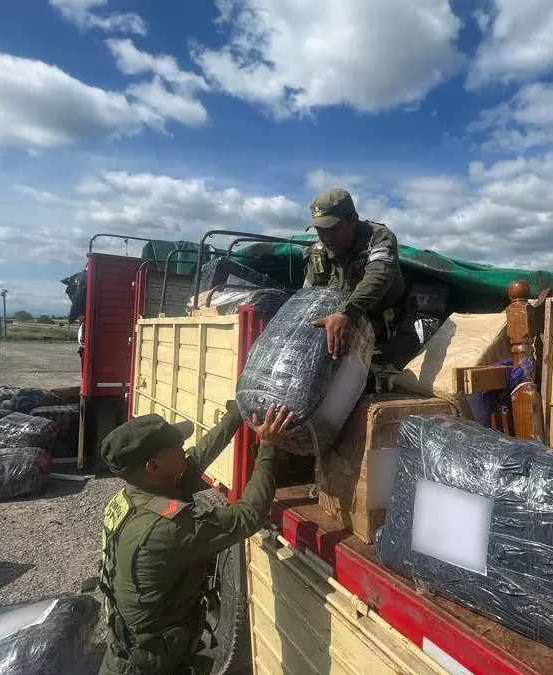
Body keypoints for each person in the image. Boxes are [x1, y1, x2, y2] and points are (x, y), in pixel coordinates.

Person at [97, 401, 294, 675]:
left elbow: (195, 458)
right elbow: (247, 517)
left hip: (132, 653)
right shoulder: (165, 529)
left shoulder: (132, 496)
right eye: (176, 446)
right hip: (152, 667)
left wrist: (236, 415)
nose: (184, 450)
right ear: (153, 466)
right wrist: (269, 446)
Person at [303, 188, 418, 391]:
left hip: (391, 343)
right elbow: (308, 298)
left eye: (333, 228)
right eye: (321, 230)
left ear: (353, 220)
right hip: (349, 345)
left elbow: (380, 274)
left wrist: (346, 313)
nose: (327, 237)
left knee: (397, 398)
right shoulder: (318, 252)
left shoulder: (379, 237)